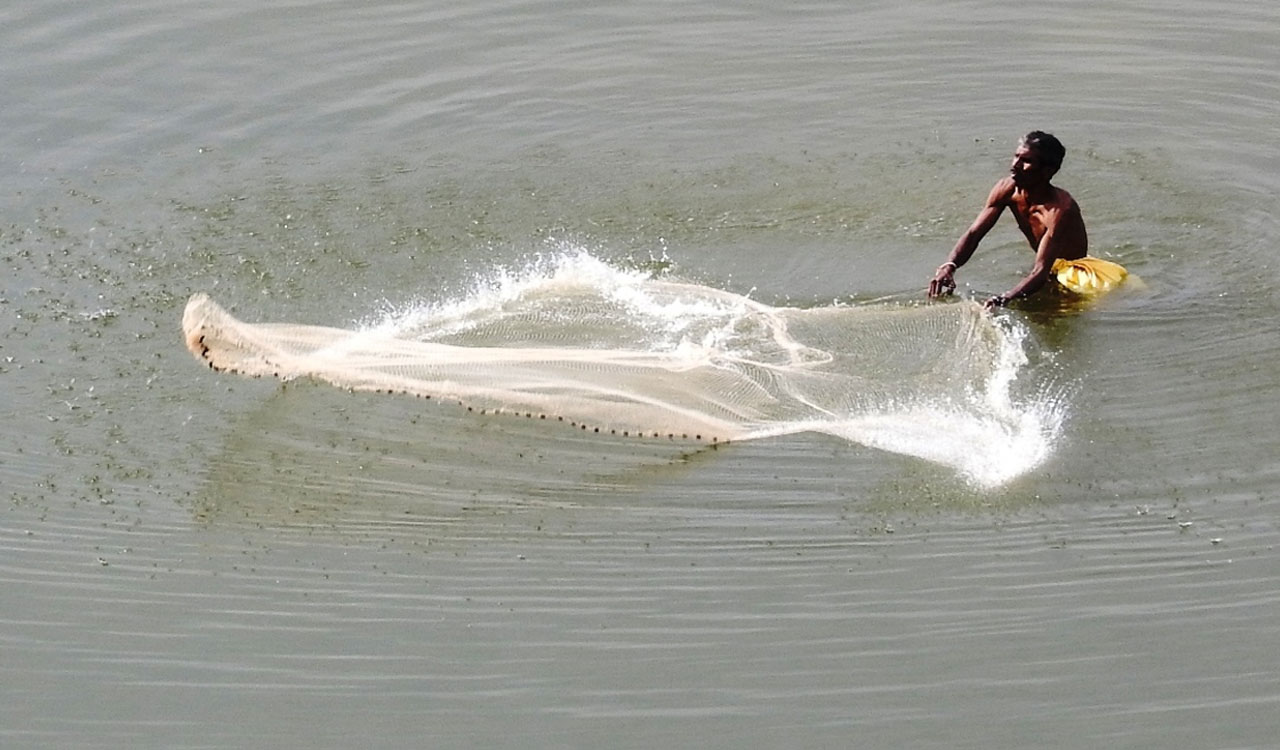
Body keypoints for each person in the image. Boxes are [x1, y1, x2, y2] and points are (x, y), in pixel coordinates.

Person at [928, 131, 1127, 309]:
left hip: (1074, 277)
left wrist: (1005, 298)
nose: (1015, 165)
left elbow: (1040, 271)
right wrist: (949, 265)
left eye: (1026, 161)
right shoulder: (1007, 189)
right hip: (1046, 269)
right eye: (1016, 156)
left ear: (1048, 171)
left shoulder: (1060, 210)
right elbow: (973, 234)